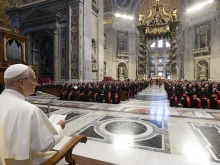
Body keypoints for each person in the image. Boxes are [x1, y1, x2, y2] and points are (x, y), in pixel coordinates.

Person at [0, 64, 65, 165]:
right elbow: (46, 144)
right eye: (34, 80)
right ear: (22, 83)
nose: (36, 84)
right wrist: (59, 127)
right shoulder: (30, 110)